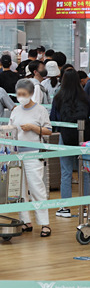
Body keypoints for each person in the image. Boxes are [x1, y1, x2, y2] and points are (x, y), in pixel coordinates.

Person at [9, 79, 52, 237]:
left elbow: (48, 130)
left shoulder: (40, 110)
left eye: (23, 94)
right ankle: (25, 221)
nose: (21, 97)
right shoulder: (15, 110)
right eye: (18, 94)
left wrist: (33, 127)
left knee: (37, 188)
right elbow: (11, 128)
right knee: (19, 189)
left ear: (31, 94)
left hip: (34, 154)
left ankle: (45, 224)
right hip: (17, 154)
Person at [50, 69, 90, 218]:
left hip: (65, 137)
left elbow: (53, 117)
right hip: (84, 138)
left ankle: (65, 207)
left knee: (66, 173)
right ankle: (86, 207)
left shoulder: (59, 97)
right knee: (85, 173)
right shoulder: (85, 97)